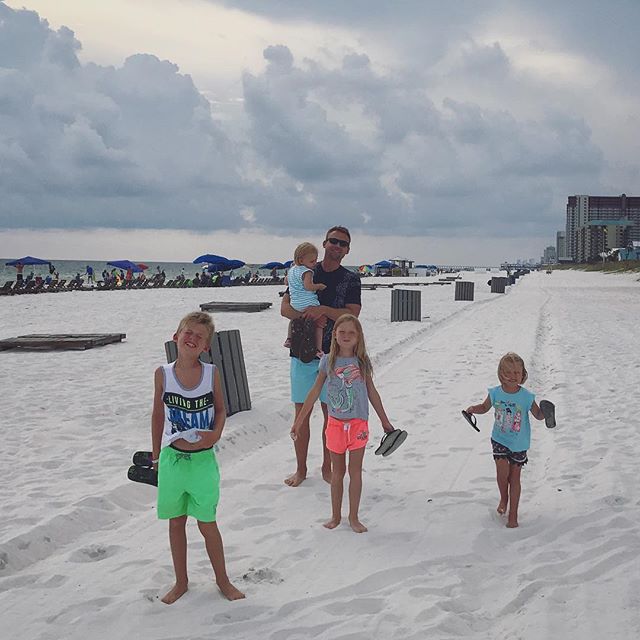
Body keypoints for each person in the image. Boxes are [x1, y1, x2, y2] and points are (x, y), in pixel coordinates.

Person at [151, 311, 245, 604]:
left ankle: (223, 580)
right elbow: (157, 415)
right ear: (176, 336)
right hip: (172, 461)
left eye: (199, 336)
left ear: (206, 346)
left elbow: (220, 409)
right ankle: (181, 582)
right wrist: (155, 457)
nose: (192, 338)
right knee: (176, 522)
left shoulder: (211, 373)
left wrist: (215, 434)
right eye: (187, 332)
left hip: (203, 462)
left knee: (207, 523)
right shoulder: (163, 373)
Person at [291, 314, 394, 533]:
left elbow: (372, 392)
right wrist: (299, 422)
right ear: (335, 335)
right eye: (342, 332)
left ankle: (353, 517)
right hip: (336, 425)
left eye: (351, 333)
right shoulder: (327, 361)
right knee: (337, 473)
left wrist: (385, 421)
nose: (346, 336)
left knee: (355, 472)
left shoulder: (362, 361)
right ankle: (336, 516)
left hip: (358, 424)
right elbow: (315, 391)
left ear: (358, 337)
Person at [280, 225, 361, 487]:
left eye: (342, 244)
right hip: (302, 353)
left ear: (347, 251)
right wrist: (307, 314)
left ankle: (328, 467)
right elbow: (285, 308)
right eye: (333, 241)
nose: (337, 246)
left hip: (336, 356)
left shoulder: (350, 279)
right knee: (301, 413)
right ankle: (301, 469)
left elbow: (352, 315)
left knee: (333, 415)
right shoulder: (304, 271)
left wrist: (323, 310)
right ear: (324, 244)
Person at [464, 352, 549, 529]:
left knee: (515, 477)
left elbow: (538, 414)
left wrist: (546, 414)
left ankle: (513, 514)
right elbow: (484, 407)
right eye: (508, 372)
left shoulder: (526, 397)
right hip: (499, 439)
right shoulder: (495, 393)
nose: (512, 376)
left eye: (517, 373)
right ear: (501, 373)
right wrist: (473, 409)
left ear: (523, 374)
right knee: (502, 475)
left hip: (519, 443)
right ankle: (504, 497)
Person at [283, 242, 327, 358]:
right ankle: (318, 349)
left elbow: (286, 281)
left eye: (315, 260)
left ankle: (289, 339)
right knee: (320, 324)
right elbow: (308, 286)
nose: (314, 264)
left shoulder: (292, 270)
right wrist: (319, 286)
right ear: (301, 260)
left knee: (293, 319)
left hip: (295, 303)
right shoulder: (307, 272)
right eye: (312, 261)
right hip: (308, 303)